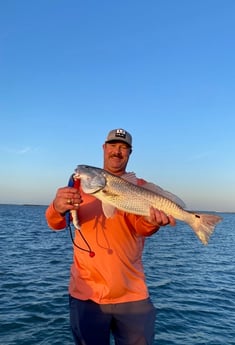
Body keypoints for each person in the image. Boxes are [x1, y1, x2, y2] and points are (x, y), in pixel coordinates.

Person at [45, 128, 176, 345]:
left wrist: (152, 222)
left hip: (132, 295)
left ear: (130, 153)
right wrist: (57, 207)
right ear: (104, 148)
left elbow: (142, 228)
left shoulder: (140, 187)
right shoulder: (79, 188)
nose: (117, 151)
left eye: (123, 147)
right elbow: (55, 223)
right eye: (113, 146)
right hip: (87, 295)